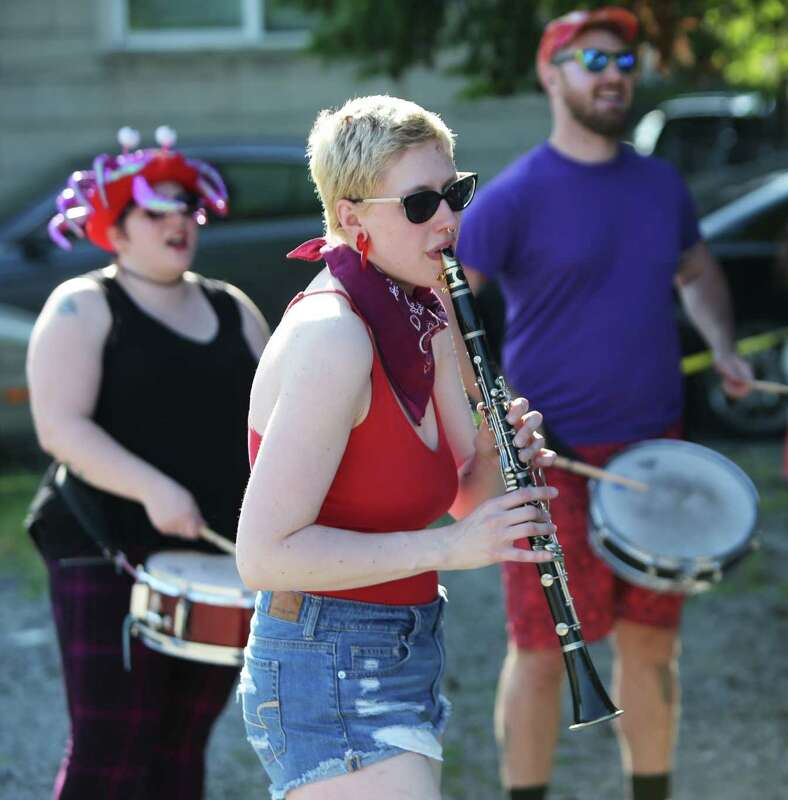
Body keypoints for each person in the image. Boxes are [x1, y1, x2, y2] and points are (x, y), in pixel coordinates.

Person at [455, 8, 754, 800]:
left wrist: (722, 344)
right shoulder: (511, 195)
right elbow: (448, 309)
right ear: (551, 75)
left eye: (623, 60)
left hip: (657, 451)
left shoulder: (661, 183)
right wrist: (485, 416)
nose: (614, 72)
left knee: (653, 647)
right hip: (554, 464)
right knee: (544, 650)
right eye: (592, 59)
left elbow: (695, 272)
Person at [235, 94, 559, 800]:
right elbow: (262, 556)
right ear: (351, 218)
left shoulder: (426, 308)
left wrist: (498, 457)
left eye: (455, 194)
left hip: (403, 642)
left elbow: (461, 496)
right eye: (419, 205)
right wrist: (452, 549)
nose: (448, 218)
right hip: (324, 654)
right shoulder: (334, 335)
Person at [24, 126, 270, 799]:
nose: (176, 223)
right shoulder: (81, 306)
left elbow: (273, 425)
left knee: (180, 746)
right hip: (103, 543)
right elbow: (59, 428)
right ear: (115, 230)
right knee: (112, 742)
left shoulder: (234, 308)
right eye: (153, 212)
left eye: (184, 210)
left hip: (216, 557)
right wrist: (154, 488)